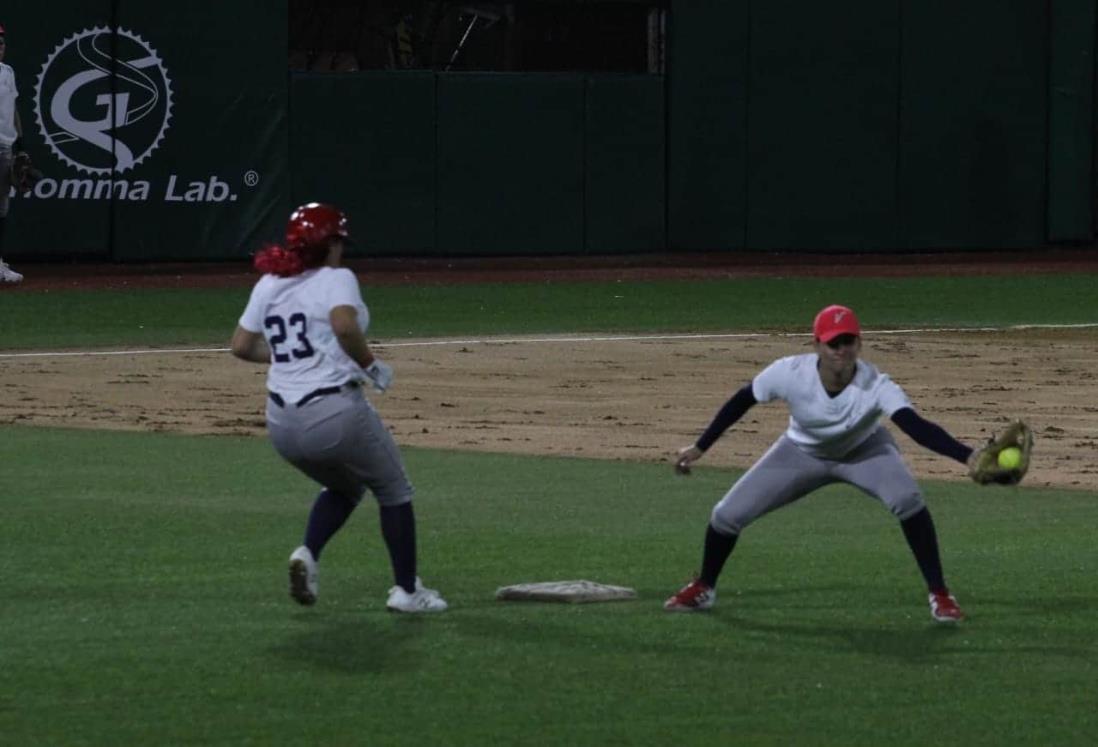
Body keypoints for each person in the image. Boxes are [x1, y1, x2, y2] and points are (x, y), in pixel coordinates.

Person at [665, 304, 976, 623]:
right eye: (833, 343)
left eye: (848, 342)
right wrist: (701, 446)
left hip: (864, 452)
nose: (841, 350)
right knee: (726, 515)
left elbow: (917, 427)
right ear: (817, 345)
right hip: (801, 453)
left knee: (908, 500)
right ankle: (705, 586)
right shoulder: (789, 373)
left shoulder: (876, 385)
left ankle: (940, 594)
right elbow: (743, 400)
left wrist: (969, 456)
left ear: (859, 343)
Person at [230, 202, 447, 614]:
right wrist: (371, 365)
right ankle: (406, 592)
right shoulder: (336, 278)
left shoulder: (270, 282)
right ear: (329, 243)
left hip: (281, 423)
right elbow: (344, 325)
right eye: (339, 241)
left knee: (346, 487)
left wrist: (291, 360)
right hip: (333, 414)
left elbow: (241, 346)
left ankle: (308, 554)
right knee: (394, 491)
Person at [0, 24, 24, 284]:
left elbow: (13, 109)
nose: (0, 46)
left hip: (5, 146)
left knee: (1, 207)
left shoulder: (8, 72)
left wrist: (22, 144)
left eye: (2, 42)